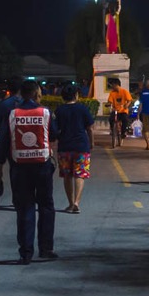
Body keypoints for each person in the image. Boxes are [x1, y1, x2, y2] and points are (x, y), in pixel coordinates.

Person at [2, 80, 58, 264]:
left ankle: (25, 253)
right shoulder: (45, 113)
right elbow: (55, 133)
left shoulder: (13, 114)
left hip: (20, 167)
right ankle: (46, 249)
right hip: (42, 166)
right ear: (36, 94)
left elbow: (4, 141)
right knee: (46, 206)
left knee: (25, 208)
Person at [54, 83, 96, 214]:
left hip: (65, 146)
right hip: (81, 146)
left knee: (67, 176)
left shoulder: (59, 110)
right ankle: (77, 202)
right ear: (76, 95)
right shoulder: (82, 108)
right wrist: (91, 142)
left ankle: (70, 203)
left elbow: (55, 130)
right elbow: (89, 128)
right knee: (80, 175)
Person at [0, 76, 23, 187]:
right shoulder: (24, 103)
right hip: (23, 140)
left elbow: (0, 122)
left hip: (8, 139)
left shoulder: (4, 104)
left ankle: (16, 195)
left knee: (13, 168)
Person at [106, 78, 132, 147]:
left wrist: (127, 105)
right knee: (111, 119)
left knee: (125, 119)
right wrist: (108, 104)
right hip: (115, 110)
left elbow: (129, 100)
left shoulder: (124, 92)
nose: (112, 86)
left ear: (116, 85)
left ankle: (123, 132)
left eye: (113, 85)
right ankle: (112, 130)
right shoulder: (112, 93)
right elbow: (110, 101)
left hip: (123, 110)